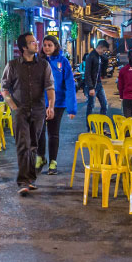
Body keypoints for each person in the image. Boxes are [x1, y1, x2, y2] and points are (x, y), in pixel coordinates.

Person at [2, 32, 55, 196]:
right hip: (20, 110)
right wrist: (12, 106)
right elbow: (4, 89)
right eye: (32, 42)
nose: (36, 44)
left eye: (35, 41)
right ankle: (23, 181)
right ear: (24, 47)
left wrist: (51, 106)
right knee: (23, 144)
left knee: (33, 145)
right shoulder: (12, 65)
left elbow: (50, 87)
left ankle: (30, 179)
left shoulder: (44, 65)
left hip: (38, 111)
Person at [37, 34, 76, 175]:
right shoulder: (37, 61)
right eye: (45, 45)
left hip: (58, 104)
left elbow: (70, 84)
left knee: (53, 133)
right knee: (39, 132)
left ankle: (53, 161)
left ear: (55, 46)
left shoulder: (63, 62)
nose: (47, 48)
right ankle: (40, 157)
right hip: (40, 103)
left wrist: (72, 108)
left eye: (50, 45)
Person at [83, 40, 110, 121]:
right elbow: (87, 73)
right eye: (104, 50)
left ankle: (101, 127)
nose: (104, 52)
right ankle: (89, 128)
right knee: (91, 107)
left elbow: (104, 67)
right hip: (91, 86)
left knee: (104, 105)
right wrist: (91, 88)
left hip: (99, 85)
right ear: (99, 47)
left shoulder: (100, 56)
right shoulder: (91, 57)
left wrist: (105, 58)